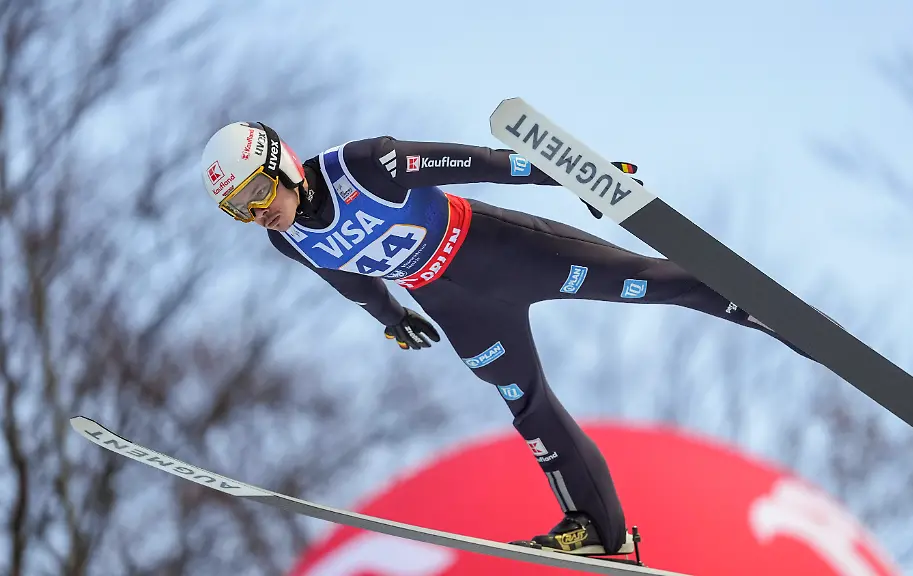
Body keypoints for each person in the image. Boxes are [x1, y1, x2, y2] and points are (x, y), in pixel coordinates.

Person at [199, 121, 812, 559]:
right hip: (453, 304)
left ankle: (759, 309)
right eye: (239, 210)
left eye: (257, 192)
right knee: (528, 406)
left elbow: (482, 163)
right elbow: (346, 279)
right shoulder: (286, 240)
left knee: (643, 284)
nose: (258, 213)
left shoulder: (365, 165)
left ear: (282, 163)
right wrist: (389, 317)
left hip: (500, 250)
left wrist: (578, 179)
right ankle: (599, 529)